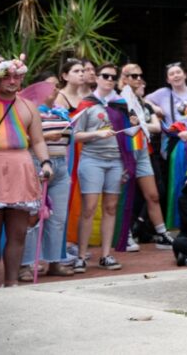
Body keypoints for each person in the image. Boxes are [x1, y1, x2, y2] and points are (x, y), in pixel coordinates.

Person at [0, 58, 53, 288]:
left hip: (21, 167)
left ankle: (12, 283)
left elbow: (37, 140)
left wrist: (45, 162)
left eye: (17, 77)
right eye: (7, 77)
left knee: (18, 233)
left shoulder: (28, 106)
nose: (13, 81)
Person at [72, 62, 132, 272]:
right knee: (88, 208)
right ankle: (81, 255)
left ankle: (106, 255)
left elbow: (129, 133)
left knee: (110, 207)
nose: (108, 80)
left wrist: (135, 124)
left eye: (112, 77)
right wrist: (97, 134)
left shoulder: (120, 103)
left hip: (116, 160)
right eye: (105, 76)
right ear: (96, 78)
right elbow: (75, 135)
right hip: (92, 159)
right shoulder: (87, 103)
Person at [19, 73, 74, 280]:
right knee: (32, 217)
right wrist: (44, 136)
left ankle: (54, 261)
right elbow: (20, 135)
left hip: (61, 164)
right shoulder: (28, 111)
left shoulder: (60, 112)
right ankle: (25, 265)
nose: (55, 89)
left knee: (58, 218)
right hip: (37, 162)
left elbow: (69, 138)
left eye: (57, 85)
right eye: (50, 85)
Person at [119, 63, 175, 251]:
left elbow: (156, 126)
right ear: (124, 78)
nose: (138, 79)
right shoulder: (120, 99)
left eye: (139, 75)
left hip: (142, 149)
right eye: (133, 76)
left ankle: (161, 233)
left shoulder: (141, 101)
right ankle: (124, 234)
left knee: (153, 194)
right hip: (127, 149)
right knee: (125, 195)